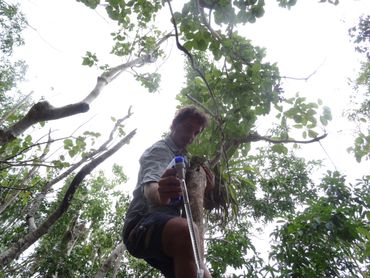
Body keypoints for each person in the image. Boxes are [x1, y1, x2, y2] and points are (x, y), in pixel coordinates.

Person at [122, 106, 212, 278]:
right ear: (173, 125)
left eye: (196, 132)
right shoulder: (161, 150)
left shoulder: (185, 158)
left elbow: (192, 195)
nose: (191, 136)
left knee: (203, 272)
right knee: (188, 232)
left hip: (166, 231)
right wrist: (161, 194)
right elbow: (151, 189)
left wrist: (208, 186)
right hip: (140, 226)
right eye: (187, 128)